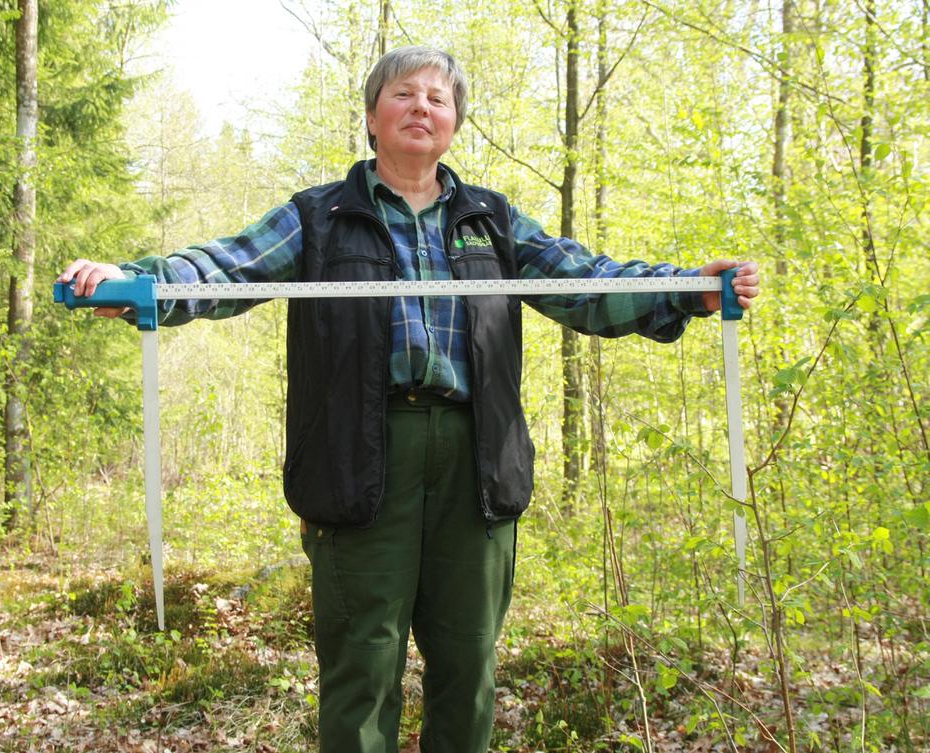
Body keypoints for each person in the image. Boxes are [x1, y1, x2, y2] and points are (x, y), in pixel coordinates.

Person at [59, 45, 759, 753]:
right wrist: (137, 280)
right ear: (371, 117)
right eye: (403, 94)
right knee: (363, 665)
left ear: (454, 122)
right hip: (359, 457)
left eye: (437, 98)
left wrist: (684, 289)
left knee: (467, 665)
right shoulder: (319, 217)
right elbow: (221, 266)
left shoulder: (493, 220)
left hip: (476, 461)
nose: (421, 106)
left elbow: (586, 281)